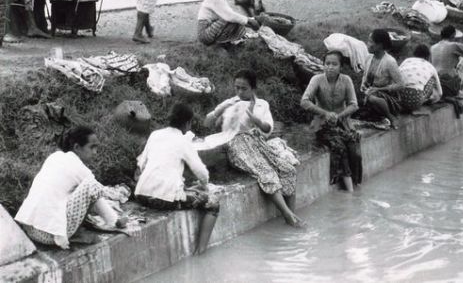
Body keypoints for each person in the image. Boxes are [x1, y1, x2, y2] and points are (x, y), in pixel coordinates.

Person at [205, 69, 303, 227]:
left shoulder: (262, 104)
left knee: (288, 170)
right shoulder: (230, 103)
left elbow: (268, 129)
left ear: (253, 89)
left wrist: (256, 120)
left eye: (244, 88)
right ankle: (288, 216)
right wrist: (221, 112)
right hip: (236, 143)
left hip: (257, 142)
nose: (239, 92)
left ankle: (292, 214)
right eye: (237, 87)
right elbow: (209, 123)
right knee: (267, 173)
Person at [15, 126, 123, 249]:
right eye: (92, 147)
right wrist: (115, 221)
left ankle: (63, 229)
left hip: (30, 228)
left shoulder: (55, 157)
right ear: (77, 147)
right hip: (49, 236)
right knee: (91, 185)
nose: (95, 152)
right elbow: (96, 193)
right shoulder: (81, 169)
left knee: (77, 190)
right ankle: (112, 221)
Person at [135, 103, 220, 255]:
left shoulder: (155, 135)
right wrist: (205, 185)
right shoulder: (183, 141)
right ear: (188, 123)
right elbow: (201, 172)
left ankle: (201, 252)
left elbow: (142, 165)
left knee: (186, 190)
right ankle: (201, 252)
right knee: (213, 204)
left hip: (141, 194)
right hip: (163, 199)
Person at [301, 51, 362, 192]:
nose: (330, 67)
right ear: (323, 65)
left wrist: (339, 116)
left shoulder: (346, 80)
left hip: (343, 123)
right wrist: (325, 113)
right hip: (322, 124)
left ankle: (357, 184)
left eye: (335, 64)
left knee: (355, 150)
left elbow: (354, 104)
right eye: (327, 63)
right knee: (339, 147)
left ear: (341, 66)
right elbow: (304, 101)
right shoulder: (317, 79)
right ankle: (349, 189)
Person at [360, 28, 405, 130]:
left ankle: (391, 117)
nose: (368, 44)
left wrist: (379, 89)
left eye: (371, 41)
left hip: (386, 97)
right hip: (370, 91)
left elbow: (401, 84)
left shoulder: (389, 62)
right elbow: (364, 76)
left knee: (372, 98)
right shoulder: (368, 58)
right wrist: (363, 85)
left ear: (380, 45)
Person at [430, 25, 463, 98]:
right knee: (462, 67)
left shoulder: (432, 48)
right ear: (453, 35)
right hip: (448, 85)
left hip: (435, 84)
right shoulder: (454, 46)